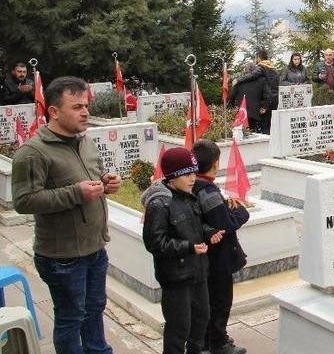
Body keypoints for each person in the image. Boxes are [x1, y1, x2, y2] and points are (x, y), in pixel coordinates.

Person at [12, 76, 121, 354]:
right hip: (63, 257)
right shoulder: (33, 152)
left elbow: (92, 176)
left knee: (95, 310)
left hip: (95, 248)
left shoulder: (84, 142)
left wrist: (106, 182)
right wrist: (76, 193)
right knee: (71, 318)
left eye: (85, 105)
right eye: (76, 107)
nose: (85, 112)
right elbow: (24, 201)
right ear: (54, 112)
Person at [142, 147, 225, 354]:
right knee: (179, 329)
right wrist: (187, 247)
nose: (192, 179)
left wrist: (209, 233)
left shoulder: (189, 196)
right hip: (176, 278)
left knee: (201, 322)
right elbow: (155, 243)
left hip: (198, 273)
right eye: (187, 174)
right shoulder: (160, 204)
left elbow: (195, 226)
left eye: (194, 173)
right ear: (172, 177)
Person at [191, 140, 250, 354]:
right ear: (215, 163)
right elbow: (224, 225)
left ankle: (208, 340)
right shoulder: (207, 191)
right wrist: (241, 211)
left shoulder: (192, 185)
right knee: (220, 302)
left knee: (208, 301)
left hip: (205, 259)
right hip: (218, 259)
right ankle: (218, 343)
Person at [233, 49, 279, 134]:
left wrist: (238, 80)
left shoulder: (262, 67)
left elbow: (252, 75)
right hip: (275, 101)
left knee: (263, 127)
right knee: (270, 125)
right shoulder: (274, 69)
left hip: (266, 101)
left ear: (258, 58)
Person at [228, 63, 264, 133]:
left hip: (241, 111)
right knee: (254, 133)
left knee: (241, 132)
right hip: (255, 112)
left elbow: (232, 95)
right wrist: (264, 106)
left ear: (245, 70)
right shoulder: (261, 81)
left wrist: (231, 107)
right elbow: (267, 95)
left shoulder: (238, 81)